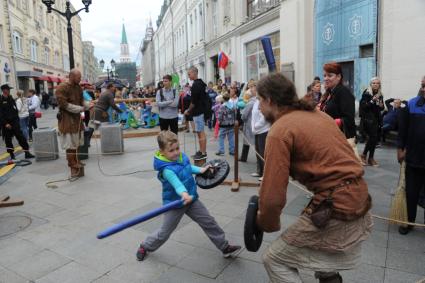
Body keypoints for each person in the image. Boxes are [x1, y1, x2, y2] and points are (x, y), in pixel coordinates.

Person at [255, 73, 372, 283]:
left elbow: (272, 198)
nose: (258, 107)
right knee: (323, 260)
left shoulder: (279, 131)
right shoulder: (320, 115)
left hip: (337, 204)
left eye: (259, 100)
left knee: (274, 259)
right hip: (358, 194)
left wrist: (264, 222)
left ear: (269, 100)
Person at [136, 130, 241, 261]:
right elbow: (177, 184)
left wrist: (201, 169)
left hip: (191, 200)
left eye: (177, 148)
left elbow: (188, 167)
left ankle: (224, 247)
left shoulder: (181, 157)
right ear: (162, 151)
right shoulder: (167, 170)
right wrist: (184, 194)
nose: (176, 153)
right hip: (175, 203)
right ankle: (145, 246)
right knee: (164, 233)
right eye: (171, 150)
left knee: (208, 221)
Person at [397, 78, 425, 235]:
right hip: (414, 157)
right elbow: (403, 129)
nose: (423, 89)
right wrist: (400, 148)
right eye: (422, 86)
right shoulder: (413, 104)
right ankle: (409, 222)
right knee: (411, 193)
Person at [56, 69, 92, 178]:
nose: (80, 79)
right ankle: (72, 164)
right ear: (71, 76)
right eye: (78, 77)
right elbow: (64, 105)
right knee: (70, 144)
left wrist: (88, 105)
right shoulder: (62, 87)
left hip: (76, 119)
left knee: (76, 143)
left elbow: (81, 101)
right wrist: (81, 108)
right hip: (66, 120)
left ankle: (76, 161)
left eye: (80, 77)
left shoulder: (78, 87)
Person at [321, 62, 361, 162]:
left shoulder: (343, 92)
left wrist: (328, 123)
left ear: (338, 77)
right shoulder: (331, 92)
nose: (326, 78)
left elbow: (348, 119)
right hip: (330, 138)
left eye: (330, 75)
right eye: (324, 75)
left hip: (340, 141)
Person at [0, 84, 34, 160]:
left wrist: (17, 121)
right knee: (8, 140)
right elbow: (0, 114)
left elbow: (15, 110)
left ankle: (27, 152)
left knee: (21, 137)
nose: (9, 91)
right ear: (4, 90)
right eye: (8, 89)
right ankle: (12, 155)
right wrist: (5, 124)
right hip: (6, 124)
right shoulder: (1, 100)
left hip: (14, 122)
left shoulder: (11, 98)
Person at [359, 77, 384, 167]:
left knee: (374, 138)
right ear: (370, 84)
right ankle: (367, 156)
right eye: (373, 83)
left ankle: (368, 157)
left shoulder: (380, 94)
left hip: (376, 119)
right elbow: (364, 107)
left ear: (379, 85)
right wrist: (372, 100)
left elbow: (381, 107)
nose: (375, 84)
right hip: (367, 119)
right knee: (373, 137)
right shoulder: (366, 93)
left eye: (377, 83)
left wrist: (381, 105)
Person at [184, 66, 208, 160]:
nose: (189, 76)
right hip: (200, 111)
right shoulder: (201, 83)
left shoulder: (196, 85)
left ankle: (203, 152)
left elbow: (193, 102)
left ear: (194, 73)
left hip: (198, 112)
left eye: (189, 74)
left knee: (201, 132)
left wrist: (188, 110)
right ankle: (201, 150)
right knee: (199, 132)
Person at [251, 93, 270, 182]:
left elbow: (265, 117)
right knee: (257, 151)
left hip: (263, 130)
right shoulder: (256, 101)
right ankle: (259, 171)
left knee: (263, 153)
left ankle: (265, 174)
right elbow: (253, 115)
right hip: (256, 130)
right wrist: (253, 127)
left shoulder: (265, 102)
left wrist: (256, 126)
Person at [239, 86, 256, 162]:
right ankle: (243, 157)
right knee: (253, 142)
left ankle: (244, 157)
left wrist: (242, 118)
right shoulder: (256, 101)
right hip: (253, 124)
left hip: (249, 124)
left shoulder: (251, 102)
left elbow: (245, 114)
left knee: (249, 142)